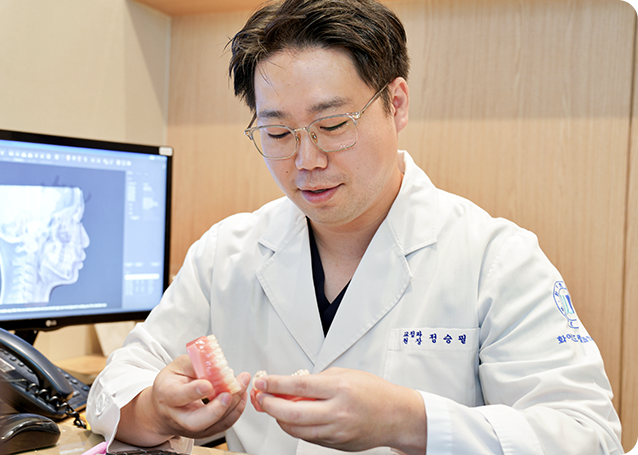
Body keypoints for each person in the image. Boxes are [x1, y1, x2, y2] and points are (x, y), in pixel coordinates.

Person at [86, 0, 624, 453]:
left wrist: (410, 420)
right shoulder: (227, 252)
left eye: (333, 124)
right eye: (278, 134)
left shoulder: (496, 258)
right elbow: (118, 382)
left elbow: (589, 435)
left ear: (396, 104)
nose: (307, 160)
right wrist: (155, 409)